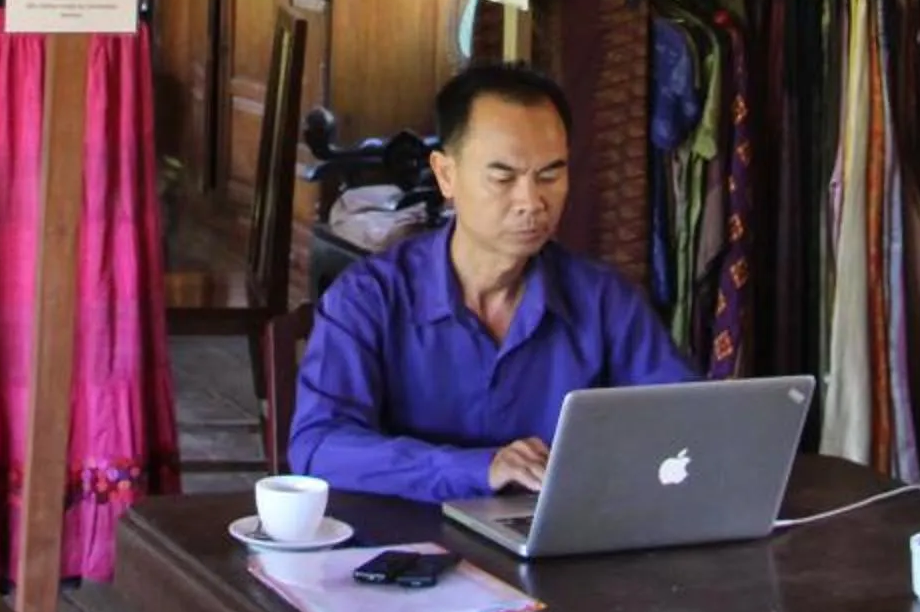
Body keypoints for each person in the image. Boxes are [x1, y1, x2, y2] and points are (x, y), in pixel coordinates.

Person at [288, 64, 692, 502]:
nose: (532, 202)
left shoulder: (603, 300)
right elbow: (319, 447)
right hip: (407, 548)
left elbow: (687, 422)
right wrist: (481, 467)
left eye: (551, 175)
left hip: (554, 548)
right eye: (503, 177)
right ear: (446, 175)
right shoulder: (371, 298)